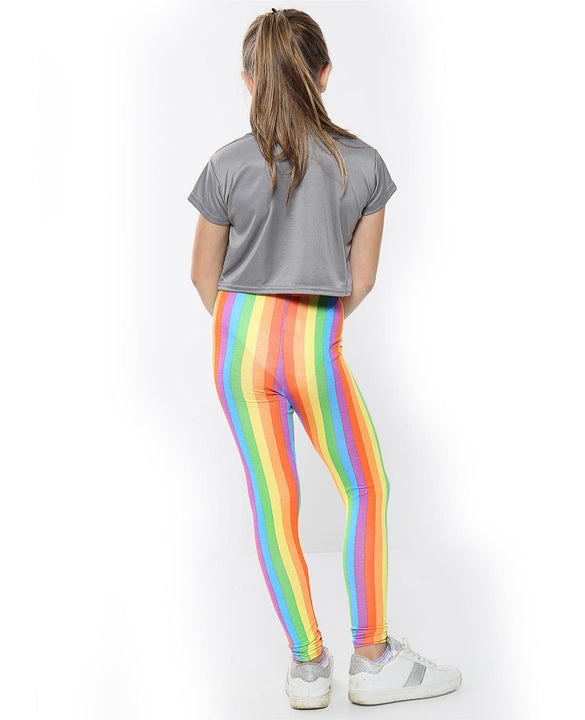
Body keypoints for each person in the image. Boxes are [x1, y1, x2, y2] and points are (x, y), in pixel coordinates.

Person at [188, 7, 462, 710]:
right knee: (367, 487)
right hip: (314, 336)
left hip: (237, 339)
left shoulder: (224, 164)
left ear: (248, 80)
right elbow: (361, 278)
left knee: (273, 503)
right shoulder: (363, 164)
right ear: (325, 74)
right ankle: (372, 656)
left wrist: (248, 333)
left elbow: (202, 275)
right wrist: (305, 334)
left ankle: (308, 667)